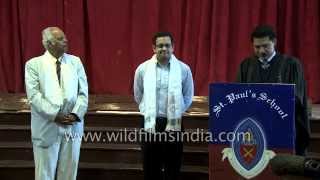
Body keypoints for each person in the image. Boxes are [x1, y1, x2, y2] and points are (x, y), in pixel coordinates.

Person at [25, 27, 88, 180]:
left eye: (64, 37)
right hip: (47, 126)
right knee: (44, 175)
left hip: (72, 125)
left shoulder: (75, 62)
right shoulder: (34, 65)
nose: (65, 41)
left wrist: (75, 114)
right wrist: (55, 115)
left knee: (68, 174)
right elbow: (34, 97)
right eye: (60, 39)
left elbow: (83, 93)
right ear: (48, 44)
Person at [236, 25, 310, 155]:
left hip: (282, 126)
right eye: (257, 47)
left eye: (265, 46)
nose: (261, 51)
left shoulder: (291, 65)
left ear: (274, 42)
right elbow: (238, 95)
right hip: (255, 127)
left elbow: (297, 97)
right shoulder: (246, 65)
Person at [134, 32, 194, 180]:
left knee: (173, 165)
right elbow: (138, 95)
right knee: (150, 165)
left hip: (174, 123)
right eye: (160, 45)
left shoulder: (183, 69)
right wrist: (149, 111)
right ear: (154, 48)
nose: (164, 48)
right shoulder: (143, 69)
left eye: (167, 45)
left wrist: (177, 112)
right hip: (149, 123)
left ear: (173, 47)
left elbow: (188, 96)